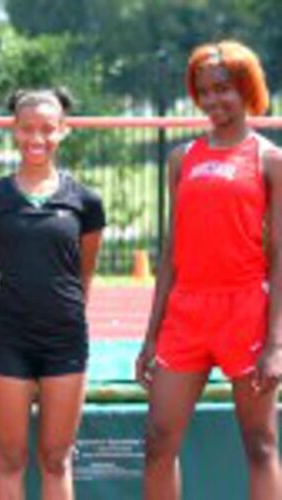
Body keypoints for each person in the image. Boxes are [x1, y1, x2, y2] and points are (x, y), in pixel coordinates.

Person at [136, 40, 282, 500]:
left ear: (247, 89)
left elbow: (279, 256)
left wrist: (276, 343)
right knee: (158, 441)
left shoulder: (270, 160)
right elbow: (171, 251)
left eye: (224, 89)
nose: (214, 100)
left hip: (246, 309)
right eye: (204, 91)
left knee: (259, 444)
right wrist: (151, 333)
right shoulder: (183, 158)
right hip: (187, 311)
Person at [0, 88, 105, 500]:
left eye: (48, 129)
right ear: (14, 130)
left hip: (65, 341)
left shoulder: (86, 201)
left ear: (64, 131)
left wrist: (64, 319)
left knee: (56, 459)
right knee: (10, 458)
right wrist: (6, 323)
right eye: (27, 129)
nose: (37, 138)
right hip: (10, 340)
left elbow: (84, 275)